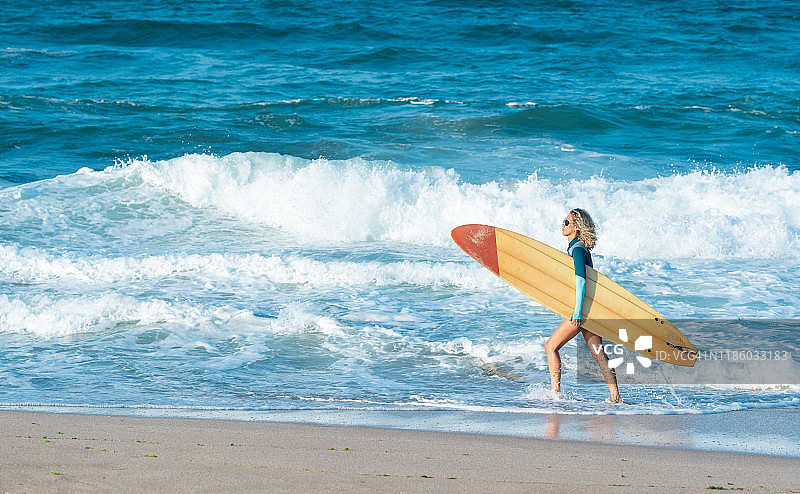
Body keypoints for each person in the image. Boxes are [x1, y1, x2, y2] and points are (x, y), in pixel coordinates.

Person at [544, 208, 621, 403]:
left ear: (576, 227)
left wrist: (578, 311)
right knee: (598, 353)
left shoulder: (577, 248)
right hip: (590, 309)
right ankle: (615, 396)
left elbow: (581, 280)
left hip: (582, 311)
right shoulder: (577, 248)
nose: (563, 224)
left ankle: (555, 394)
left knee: (551, 347)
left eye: (566, 222)